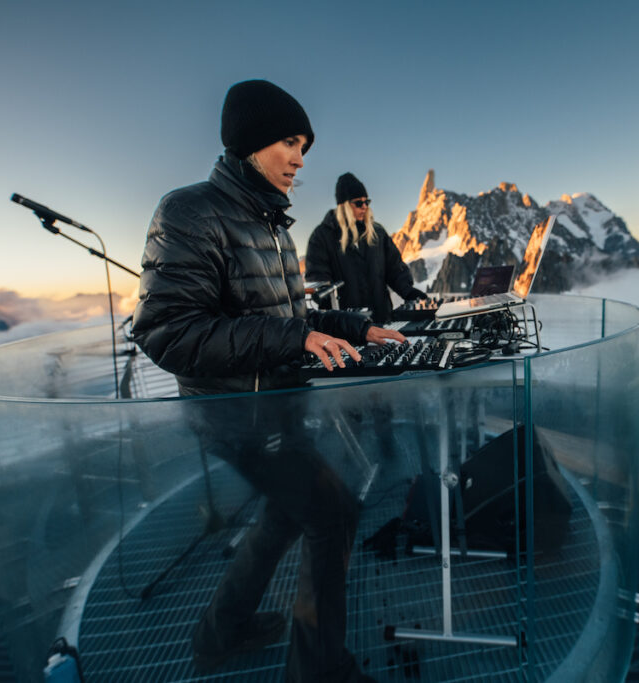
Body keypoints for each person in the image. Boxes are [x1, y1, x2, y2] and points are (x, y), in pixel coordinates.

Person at [131, 79, 402, 682]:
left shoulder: (271, 224)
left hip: (275, 409)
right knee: (333, 515)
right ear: (251, 144)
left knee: (287, 514)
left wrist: (354, 327)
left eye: (304, 143)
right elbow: (167, 333)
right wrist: (291, 337)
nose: (301, 158)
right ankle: (318, 672)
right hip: (234, 415)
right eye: (289, 141)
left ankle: (218, 636)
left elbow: (289, 319)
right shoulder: (188, 211)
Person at [305, 172, 425, 323]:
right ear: (344, 205)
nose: (365, 207)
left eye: (367, 202)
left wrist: (409, 292)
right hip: (346, 326)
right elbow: (319, 281)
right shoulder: (322, 236)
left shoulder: (377, 233)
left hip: (381, 319)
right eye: (358, 203)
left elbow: (394, 268)